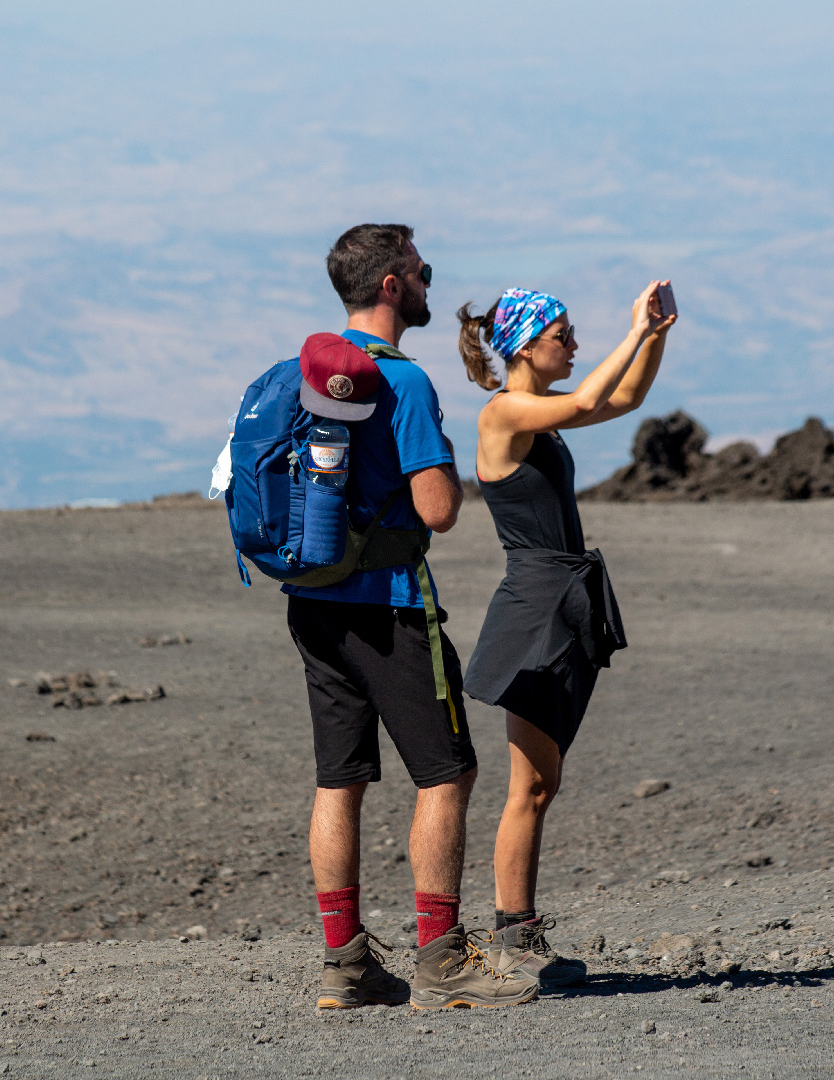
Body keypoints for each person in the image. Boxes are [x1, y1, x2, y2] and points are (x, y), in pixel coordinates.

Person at [286, 224, 539, 1011]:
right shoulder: (402, 382)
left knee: (340, 781)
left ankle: (346, 968)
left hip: (313, 603)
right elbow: (438, 511)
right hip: (391, 608)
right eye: (422, 270)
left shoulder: (308, 371)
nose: (431, 282)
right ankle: (440, 961)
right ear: (393, 283)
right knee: (447, 773)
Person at [457, 281, 676, 987]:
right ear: (525, 345)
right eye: (563, 335)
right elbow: (589, 400)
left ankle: (518, 937)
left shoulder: (539, 419)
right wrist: (632, 328)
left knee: (543, 783)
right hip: (533, 609)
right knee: (528, 785)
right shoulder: (504, 413)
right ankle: (511, 941)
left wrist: (655, 334)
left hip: (564, 603)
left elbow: (623, 401)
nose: (574, 345)